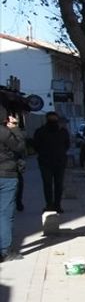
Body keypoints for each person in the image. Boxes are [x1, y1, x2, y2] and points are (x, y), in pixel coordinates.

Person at [33, 111, 70, 213]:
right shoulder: (63, 131)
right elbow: (67, 145)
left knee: (48, 184)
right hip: (59, 161)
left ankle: (50, 205)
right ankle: (57, 205)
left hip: (46, 162)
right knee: (58, 184)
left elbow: (36, 146)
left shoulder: (40, 131)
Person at [0, 107, 22, 261]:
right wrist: (15, 129)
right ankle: (5, 251)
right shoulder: (4, 132)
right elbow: (20, 147)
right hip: (6, 175)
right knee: (5, 213)